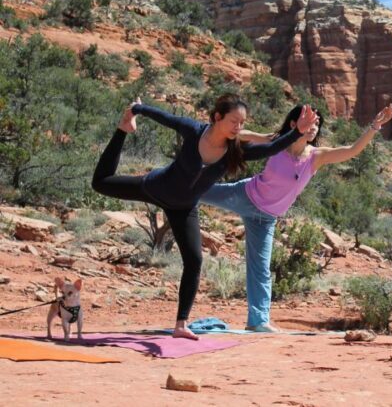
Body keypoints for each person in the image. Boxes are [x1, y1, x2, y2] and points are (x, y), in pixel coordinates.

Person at [91, 94, 318, 339]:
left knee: (194, 260)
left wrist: (298, 133)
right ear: (217, 117)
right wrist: (137, 109)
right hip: (155, 188)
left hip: (184, 208)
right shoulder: (194, 130)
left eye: (241, 124)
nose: (238, 128)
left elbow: (271, 148)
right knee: (100, 183)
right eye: (233, 121)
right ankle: (122, 130)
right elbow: (166, 117)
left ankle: (181, 325)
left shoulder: (235, 152)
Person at [200, 103, 392, 332]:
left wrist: (374, 126)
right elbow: (237, 135)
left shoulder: (315, 157)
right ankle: (159, 187)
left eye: (318, 123)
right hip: (245, 195)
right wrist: (220, 131)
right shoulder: (276, 142)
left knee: (260, 269)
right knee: (195, 191)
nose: (315, 127)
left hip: (265, 218)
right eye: (310, 121)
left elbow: (351, 150)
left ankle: (258, 321)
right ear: (294, 124)